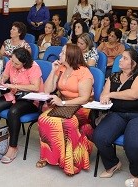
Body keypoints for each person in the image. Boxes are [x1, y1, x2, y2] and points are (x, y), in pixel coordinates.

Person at [93, 49, 138, 179]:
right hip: (117, 113)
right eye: (121, 57)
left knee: (134, 145)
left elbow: (134, 94)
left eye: (124, 58)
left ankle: (135, 174)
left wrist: (111, 94)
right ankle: (113, 164)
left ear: (133, 63)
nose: (120, 60)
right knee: (99, 137)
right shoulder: (113, 76)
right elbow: (103, 95)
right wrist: (104, 98)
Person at [36, 44, 94, 176]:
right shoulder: (61, 68)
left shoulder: (84, 72)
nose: (60, 54)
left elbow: (84, 98)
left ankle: (70, 162)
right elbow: (47, 90)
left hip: (81, 106)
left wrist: (62, 102)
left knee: (68, 123)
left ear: (70, 56)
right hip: (62, 104)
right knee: (43, 119)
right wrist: (52, 70)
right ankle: (48, 156)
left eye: (63, 52)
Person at [0, 48, 42, 163]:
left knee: (14, 112)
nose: (13, 64)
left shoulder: (33, 67)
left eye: (17, 63)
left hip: (30, 98)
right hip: (14, 94)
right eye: (12, 61)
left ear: (24, 63)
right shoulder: (11, 62)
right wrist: (1, 80)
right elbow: (5, 76)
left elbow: (35, 87)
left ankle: (13, 147)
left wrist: (13, 85)